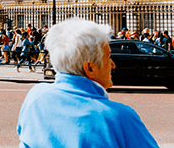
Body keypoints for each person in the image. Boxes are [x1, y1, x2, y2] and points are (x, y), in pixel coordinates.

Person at [17, 18, 159, 147]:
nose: (113, 64)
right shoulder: (118, 117)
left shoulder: (35, 96)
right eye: (108, 57)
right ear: (89, 68)